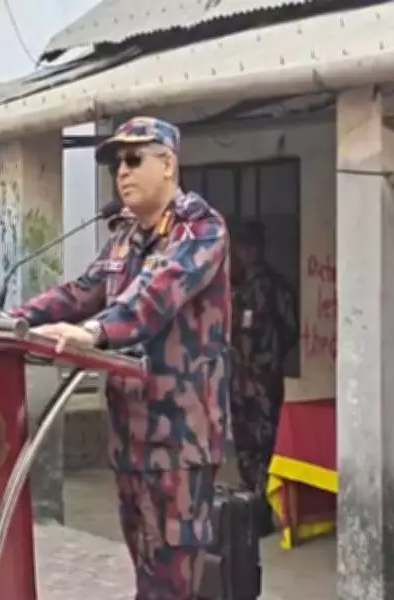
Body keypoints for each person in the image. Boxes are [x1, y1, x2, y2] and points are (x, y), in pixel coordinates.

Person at [12, 116, 231, 600]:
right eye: (116, 164)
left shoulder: (201, 229)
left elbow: (154, 296)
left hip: (179, 441)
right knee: (146, 574)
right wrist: (13, 321)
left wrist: (93, 332)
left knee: (173, 581)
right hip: (131, 437)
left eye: (133, 159)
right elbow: (81, 291)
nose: (122, 172)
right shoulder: (125, 235)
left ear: (168, 163)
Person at [229, 221, 298, 535]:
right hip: (241, 379)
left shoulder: (274, 287)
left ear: (256, 248)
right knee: (245, 443)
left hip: (262, 381)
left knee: (264, 443)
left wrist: (268, 356)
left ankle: (263, 510)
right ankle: (250, 508)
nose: (242, 253)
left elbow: (290, 329)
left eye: (246, 247)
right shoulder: (236, 288)